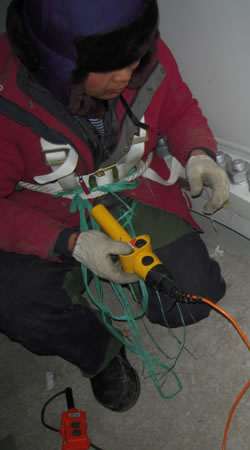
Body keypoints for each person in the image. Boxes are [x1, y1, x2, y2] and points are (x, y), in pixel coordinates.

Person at [0, 0, 230, 412]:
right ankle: (99, 353)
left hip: (132, 192)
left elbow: (179, 111)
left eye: (134, 59)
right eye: (107, 66)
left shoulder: (142, 54)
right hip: (45, 215)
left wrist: (198, 151)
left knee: (193, 296)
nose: (125, 76)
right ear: (56, 63)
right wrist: (73, 244)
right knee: (18, 304)